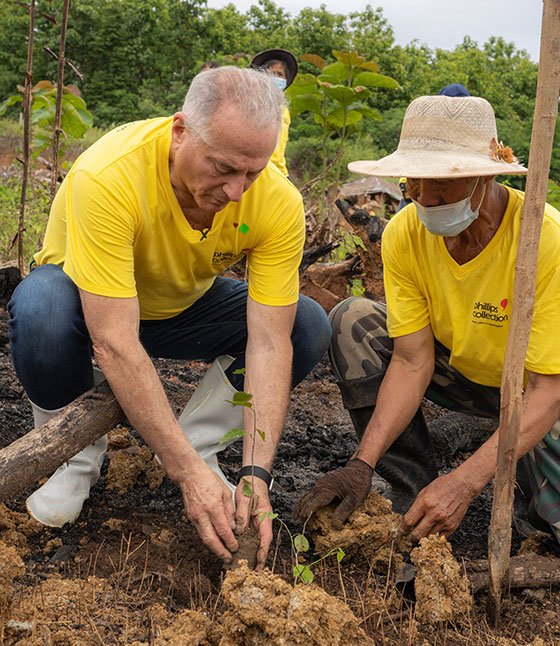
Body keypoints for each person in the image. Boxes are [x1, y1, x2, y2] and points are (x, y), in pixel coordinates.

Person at [8, 66, 331, 568]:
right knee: (40, 310)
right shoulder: (111, 175)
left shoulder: (275, 201)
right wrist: (183, 476)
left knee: (305, 324)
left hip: (179, 308)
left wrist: (257, 471)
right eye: (223, 168)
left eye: (253, 171)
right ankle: (77, 457)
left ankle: (201, 446)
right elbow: (114, 338)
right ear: (181, 132)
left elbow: (269, 343)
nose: (237, 191)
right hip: (87, 304)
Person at [296, 94, 560, 547]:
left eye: (441, 183)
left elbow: (548, 391)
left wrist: (465, 482)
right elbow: (412, 361)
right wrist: (362, 464)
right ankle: (411, 499)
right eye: (415, 181)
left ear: (486, 176)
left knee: (549, 529)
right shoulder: (405, 232)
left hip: (539, 393)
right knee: (354, 320)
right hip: (464, 374)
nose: (424, 196)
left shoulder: (544, 241)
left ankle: (517, 482)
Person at [250, 49, 298, 178]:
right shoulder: (252, 104)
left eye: (279, 74)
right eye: (270, 73)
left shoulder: (284, 108)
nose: (274, 78)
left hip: (280, 172)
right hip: (259, 172)